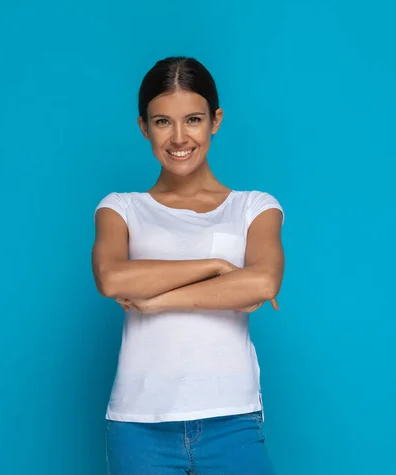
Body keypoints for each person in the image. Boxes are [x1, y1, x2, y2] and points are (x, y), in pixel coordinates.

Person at [92, 56, 285, 475]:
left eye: (193, 119)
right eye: (162, 122)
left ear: (215, 120)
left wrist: (156, 300)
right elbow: (112, 278)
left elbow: (264, 281)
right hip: (138, 424)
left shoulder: (254, 207)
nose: (179, 137)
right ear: (143, 126)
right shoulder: (120, 208)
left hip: (232, 418)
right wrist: (215, 266)